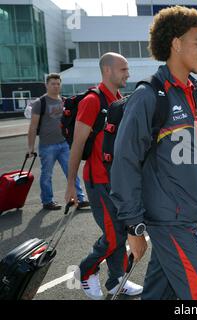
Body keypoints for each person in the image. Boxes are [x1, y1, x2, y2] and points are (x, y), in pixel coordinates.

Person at [110, 6, 197, 300]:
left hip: (179, 216)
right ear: (176, 44)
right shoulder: (149, 96)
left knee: (158, 294)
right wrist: (134, 227)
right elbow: (124, 163)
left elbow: (195, 145)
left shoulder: (187, 92)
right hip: (170, 222)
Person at [65, 53, 143, 300]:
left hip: (116, 181)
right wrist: (70, 185)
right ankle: (85, 271)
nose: (128, 74)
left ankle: (116, 279)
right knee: (113, 236)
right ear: (107, 71)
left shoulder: (119, 99)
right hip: (98, 181)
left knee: (120, 231)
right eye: (123, 69)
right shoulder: (92, 101)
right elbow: (77, 145)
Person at [27, 73, 88, 211]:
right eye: (52, 84)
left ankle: (79, 198)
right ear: (46, 85)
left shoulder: (65, 102)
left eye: (58, 83)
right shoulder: (40, 103)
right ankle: (47, 201)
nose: (55, 86)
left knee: (71, 172)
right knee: (46, 174)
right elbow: (33, 126)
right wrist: (30, 147)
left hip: (65, 144)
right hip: (47, 145)